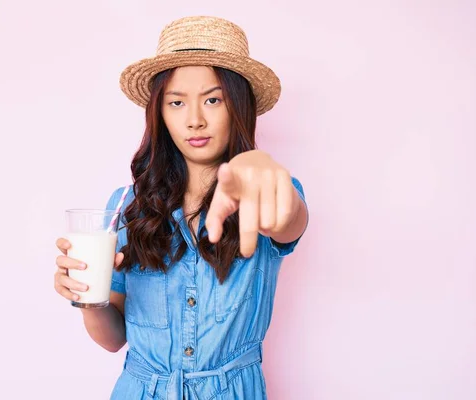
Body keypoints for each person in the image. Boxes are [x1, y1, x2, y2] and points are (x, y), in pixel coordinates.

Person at [54, 15, 309, 400]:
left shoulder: (268, 190)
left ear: (238, 106)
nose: (194, 120)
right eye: (176, 102)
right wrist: (88, 299)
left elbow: (287, 218)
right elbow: (113, 340)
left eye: (212, 99)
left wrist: (257, 167)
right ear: (160, 112)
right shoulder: (127, 206)